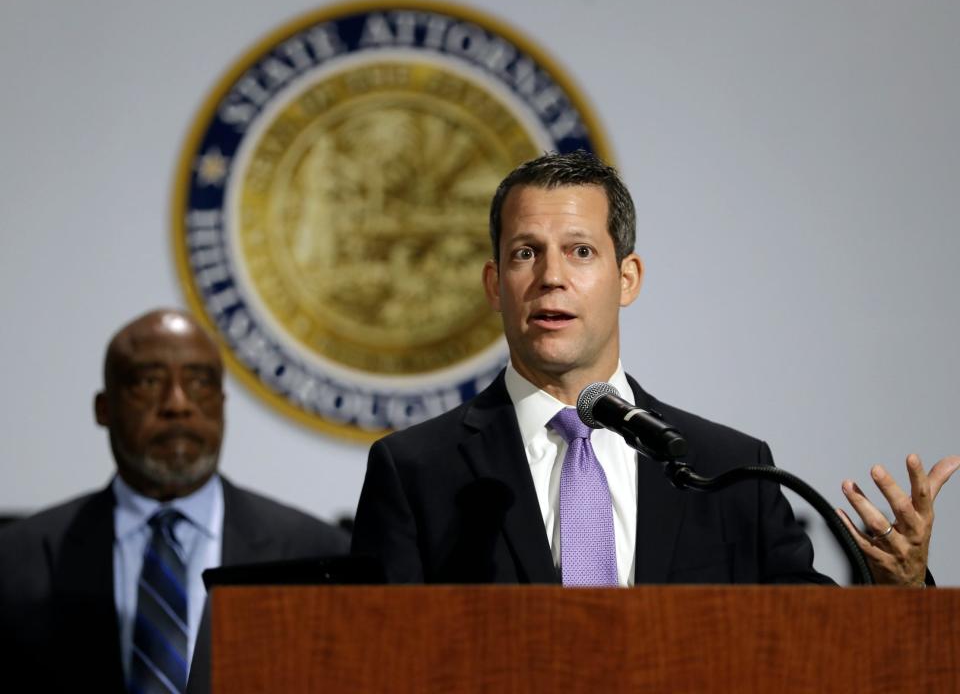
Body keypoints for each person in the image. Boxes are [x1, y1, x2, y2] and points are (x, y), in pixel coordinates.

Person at [351, 150, 958, 586]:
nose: (551, 277)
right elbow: (378, 664)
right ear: (494, 284)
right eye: (525, 253)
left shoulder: (727, 471)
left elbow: (811, 653)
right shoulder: (414, 473)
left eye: (581, 251)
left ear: (628, 279)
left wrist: (899, 593)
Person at [0, 309, 349, 693]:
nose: (178, 404)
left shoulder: (317, 554)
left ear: (222, 403)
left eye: (200, 383)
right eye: (149, 382)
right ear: (103, 409)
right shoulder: (17, 559)